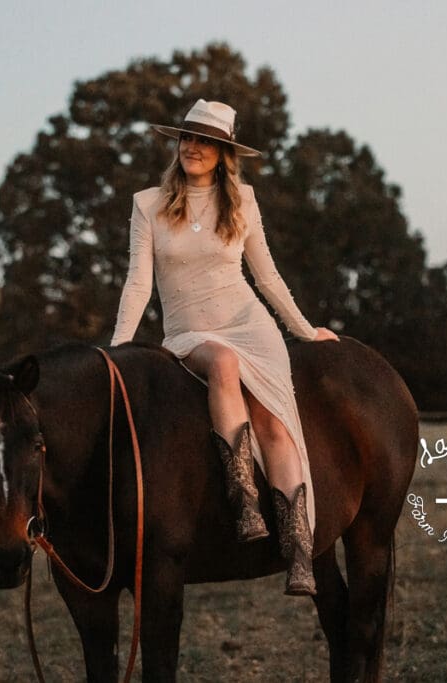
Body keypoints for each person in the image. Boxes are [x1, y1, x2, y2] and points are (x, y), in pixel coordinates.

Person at [110, 99, 338, 596]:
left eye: (205, 141)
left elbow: (267, 276)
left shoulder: (243, 202)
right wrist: (117, 352)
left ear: (222, 153)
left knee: (276, 427)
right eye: (187, 138)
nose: (193, 147)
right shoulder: (147, 204)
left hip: (248, 321)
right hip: (191, 333)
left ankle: (298, 552)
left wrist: (303, 330)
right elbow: (137, 286)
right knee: (223, 363)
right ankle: (244, 500)